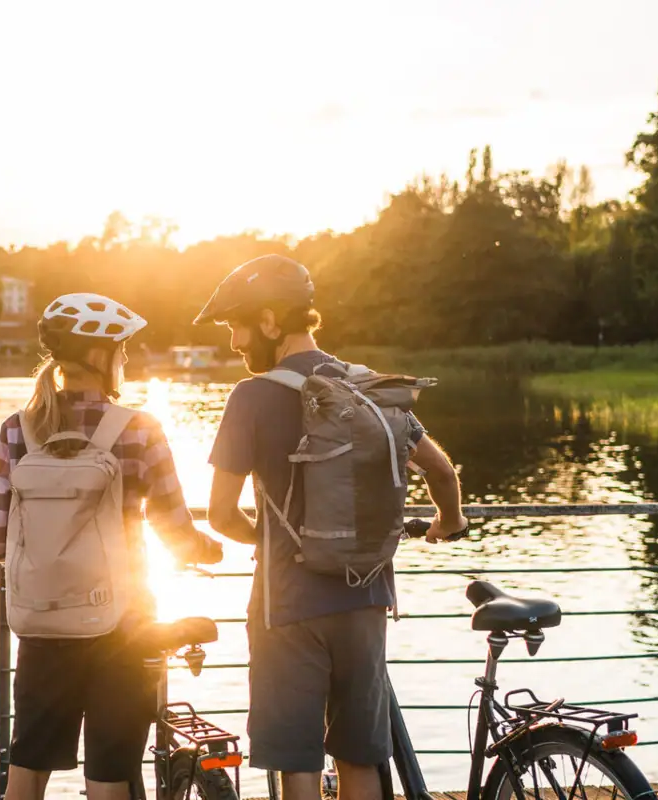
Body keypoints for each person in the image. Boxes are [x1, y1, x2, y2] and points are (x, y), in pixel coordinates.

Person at [196, 255, 468, 800]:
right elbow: (439, 470)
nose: (234, 343)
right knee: (359, 757)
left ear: (271, 321)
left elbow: (222, 514)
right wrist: (448, 522)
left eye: (237, 326)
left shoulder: (250, 398)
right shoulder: (368, 386)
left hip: (288, 607)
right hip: (366, 597)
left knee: (298, 761)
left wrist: (269, 540)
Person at [0, 292, 223, 800]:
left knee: (25, 775)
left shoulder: (17, 430)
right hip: (125, 627)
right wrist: (206, 549)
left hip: (43, 625)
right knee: (110, 777)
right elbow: (175, 532)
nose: (126, 360)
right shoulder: (139, 430)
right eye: (121, 350)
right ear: (101, 356)